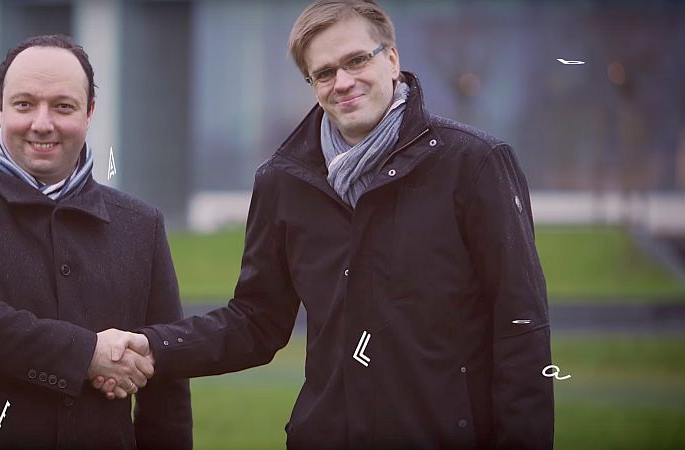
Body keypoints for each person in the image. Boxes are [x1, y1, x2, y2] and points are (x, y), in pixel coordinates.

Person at [94, 1, 554, 448]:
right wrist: (154, 347)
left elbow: (520, 324)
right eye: (325, 72)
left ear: (392, 59)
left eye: (357, 60)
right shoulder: (282, 181)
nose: (343, 82)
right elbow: (257, 322)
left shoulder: (474, 164)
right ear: (311, 82)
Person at [0, 34, 191, 450]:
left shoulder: (141, 225)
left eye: (62, 106)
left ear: (90, 112)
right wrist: (86, 354)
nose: (41, 123)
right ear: (0, 106)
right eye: (24, 104)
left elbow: (166, 385)